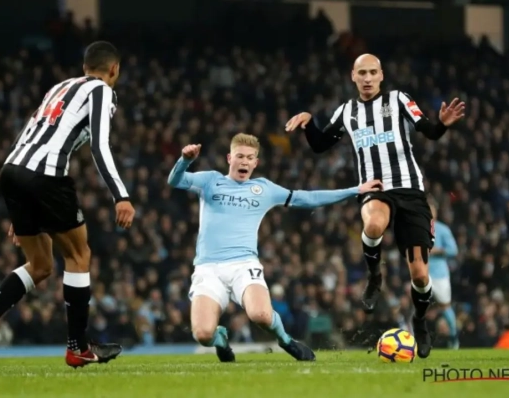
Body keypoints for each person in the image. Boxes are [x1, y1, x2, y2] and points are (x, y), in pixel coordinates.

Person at [0, 41, 135, 373]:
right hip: (46, 175)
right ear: (114, 69)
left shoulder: (59, 88)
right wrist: (120, 195)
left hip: (13, 170)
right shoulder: (101, 91)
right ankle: (78, 347)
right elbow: (100, 145)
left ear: (84, 67)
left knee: (40, 265)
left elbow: (27, 134)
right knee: (79, 255)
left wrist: (20, 204)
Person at [284, 53, 465, 358]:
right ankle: (374, 276)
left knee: (420, 276)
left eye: (372, 72)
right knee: (373, 224)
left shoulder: (399, 100)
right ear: (353, 76)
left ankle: (420, 321)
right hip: (375, 187)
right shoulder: (346, 111)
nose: (367, 78)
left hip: (410, 191)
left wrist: (443, 125)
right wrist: (308, 123)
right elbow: (320, 144)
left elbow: (430, 132)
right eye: (362, 73)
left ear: (381, 75)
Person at [167, 133, 382, 362]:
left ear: (256, 163)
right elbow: (175, 181)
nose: (244, 161)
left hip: (243, 265)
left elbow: (307, 198)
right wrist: (185, 160)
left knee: (260, 315)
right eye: (240, 156)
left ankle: (286, 340)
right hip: (208, 268)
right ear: (230, 158)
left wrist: (355, 190)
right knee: (202, 334)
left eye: (250, 157)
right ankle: (220, 339)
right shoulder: (210, 180)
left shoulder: (263, 189)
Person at [428, 201, 459, 349]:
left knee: (445, 306)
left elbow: (453, 250)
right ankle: (411, 338)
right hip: (420, 273)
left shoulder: (442, 229)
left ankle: (454, 339)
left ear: (436, 213)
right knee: (414, 304)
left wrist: (436, 251)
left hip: (439, 274)